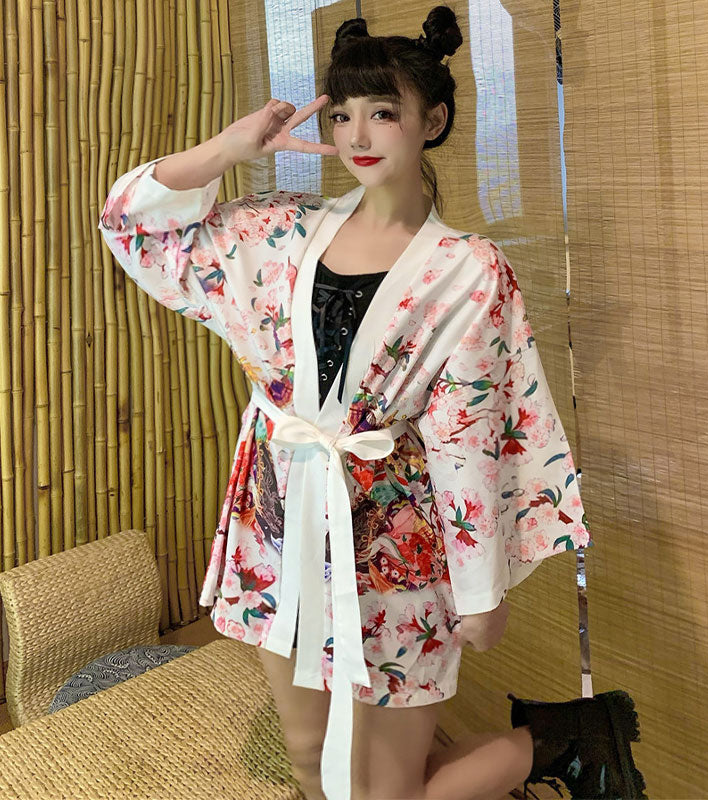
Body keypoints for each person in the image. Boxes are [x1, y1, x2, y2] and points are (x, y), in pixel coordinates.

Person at [98, 6, 645, 800]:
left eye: (383, 112)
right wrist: (227, 150)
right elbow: (131, 226)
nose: (357, 134)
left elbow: (466, 436)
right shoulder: (277, 231)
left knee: (388, 792)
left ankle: (565, 741)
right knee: (307, 756)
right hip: (280, 520)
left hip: (395, 542)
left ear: (434, 121)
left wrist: (480, 591)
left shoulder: (469, 271)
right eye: (343, 113)